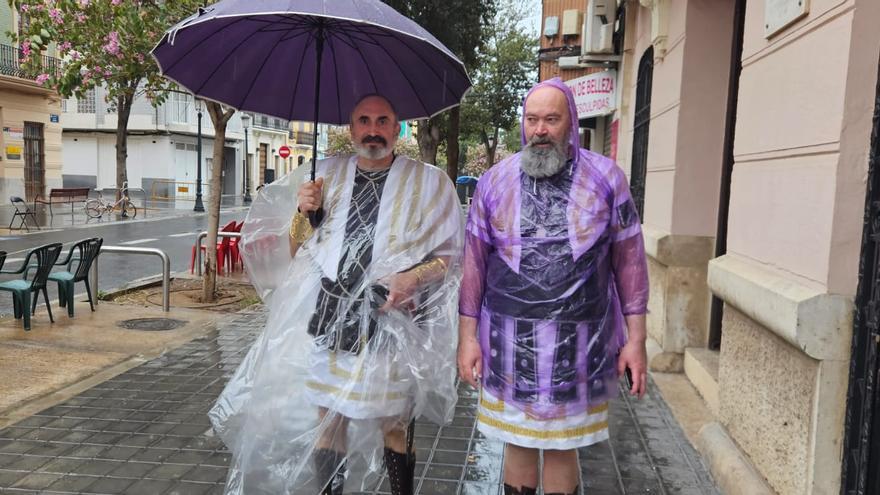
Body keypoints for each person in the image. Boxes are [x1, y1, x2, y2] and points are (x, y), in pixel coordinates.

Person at [210, 95, 463, 495]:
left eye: (383, 120)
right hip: (330, 319)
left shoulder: (428, 183)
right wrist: (302, 211)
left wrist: (413, 278)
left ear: (398, 129)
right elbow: (297, 251)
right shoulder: (324, 176)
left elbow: (450, 256)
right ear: (351, 128)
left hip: (389, 320)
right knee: (330, 421)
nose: (373, 129)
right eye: (364, 120)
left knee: (394, 424)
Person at [456, 78, 650, 495]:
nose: (540, 129)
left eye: (551, 119)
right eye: (532, 119)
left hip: (581, 341)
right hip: (509, 339)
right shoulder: (493, 182)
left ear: (571, 122)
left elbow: (630, 263)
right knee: (518, 442)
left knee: (565, 446)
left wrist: (636, 340)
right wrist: (466, 339)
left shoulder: (606, 179)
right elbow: (473, 265)